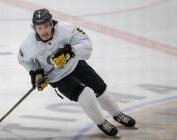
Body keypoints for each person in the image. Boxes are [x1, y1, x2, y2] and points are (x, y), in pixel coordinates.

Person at [17, 8, 136, 136]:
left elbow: (87, 44)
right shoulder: (28, 44)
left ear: (52, 23)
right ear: (34, 28)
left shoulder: (66, 29)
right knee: (86, 95)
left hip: (75, 64)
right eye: (39, 28)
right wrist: (36, 72)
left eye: (46, 26)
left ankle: (118, 115)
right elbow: (22, 59)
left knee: (100, 88)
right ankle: (102, 122)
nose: (44, 31)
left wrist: (71, 51)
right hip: (58, 77)